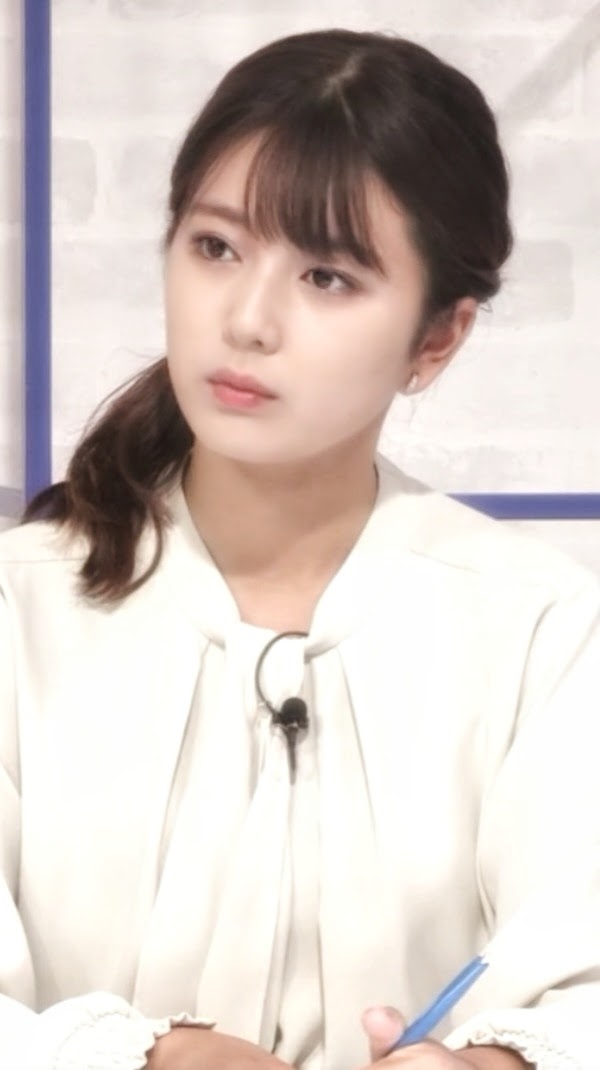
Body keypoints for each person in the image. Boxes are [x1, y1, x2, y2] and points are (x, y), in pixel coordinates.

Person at [1, 25, 599, 1070]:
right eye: (216, 247)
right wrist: (141, 1056)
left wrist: (496, 1062)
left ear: (437, 338)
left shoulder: (544, 631)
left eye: (326, 276)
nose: (247, 319)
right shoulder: (21, 610)